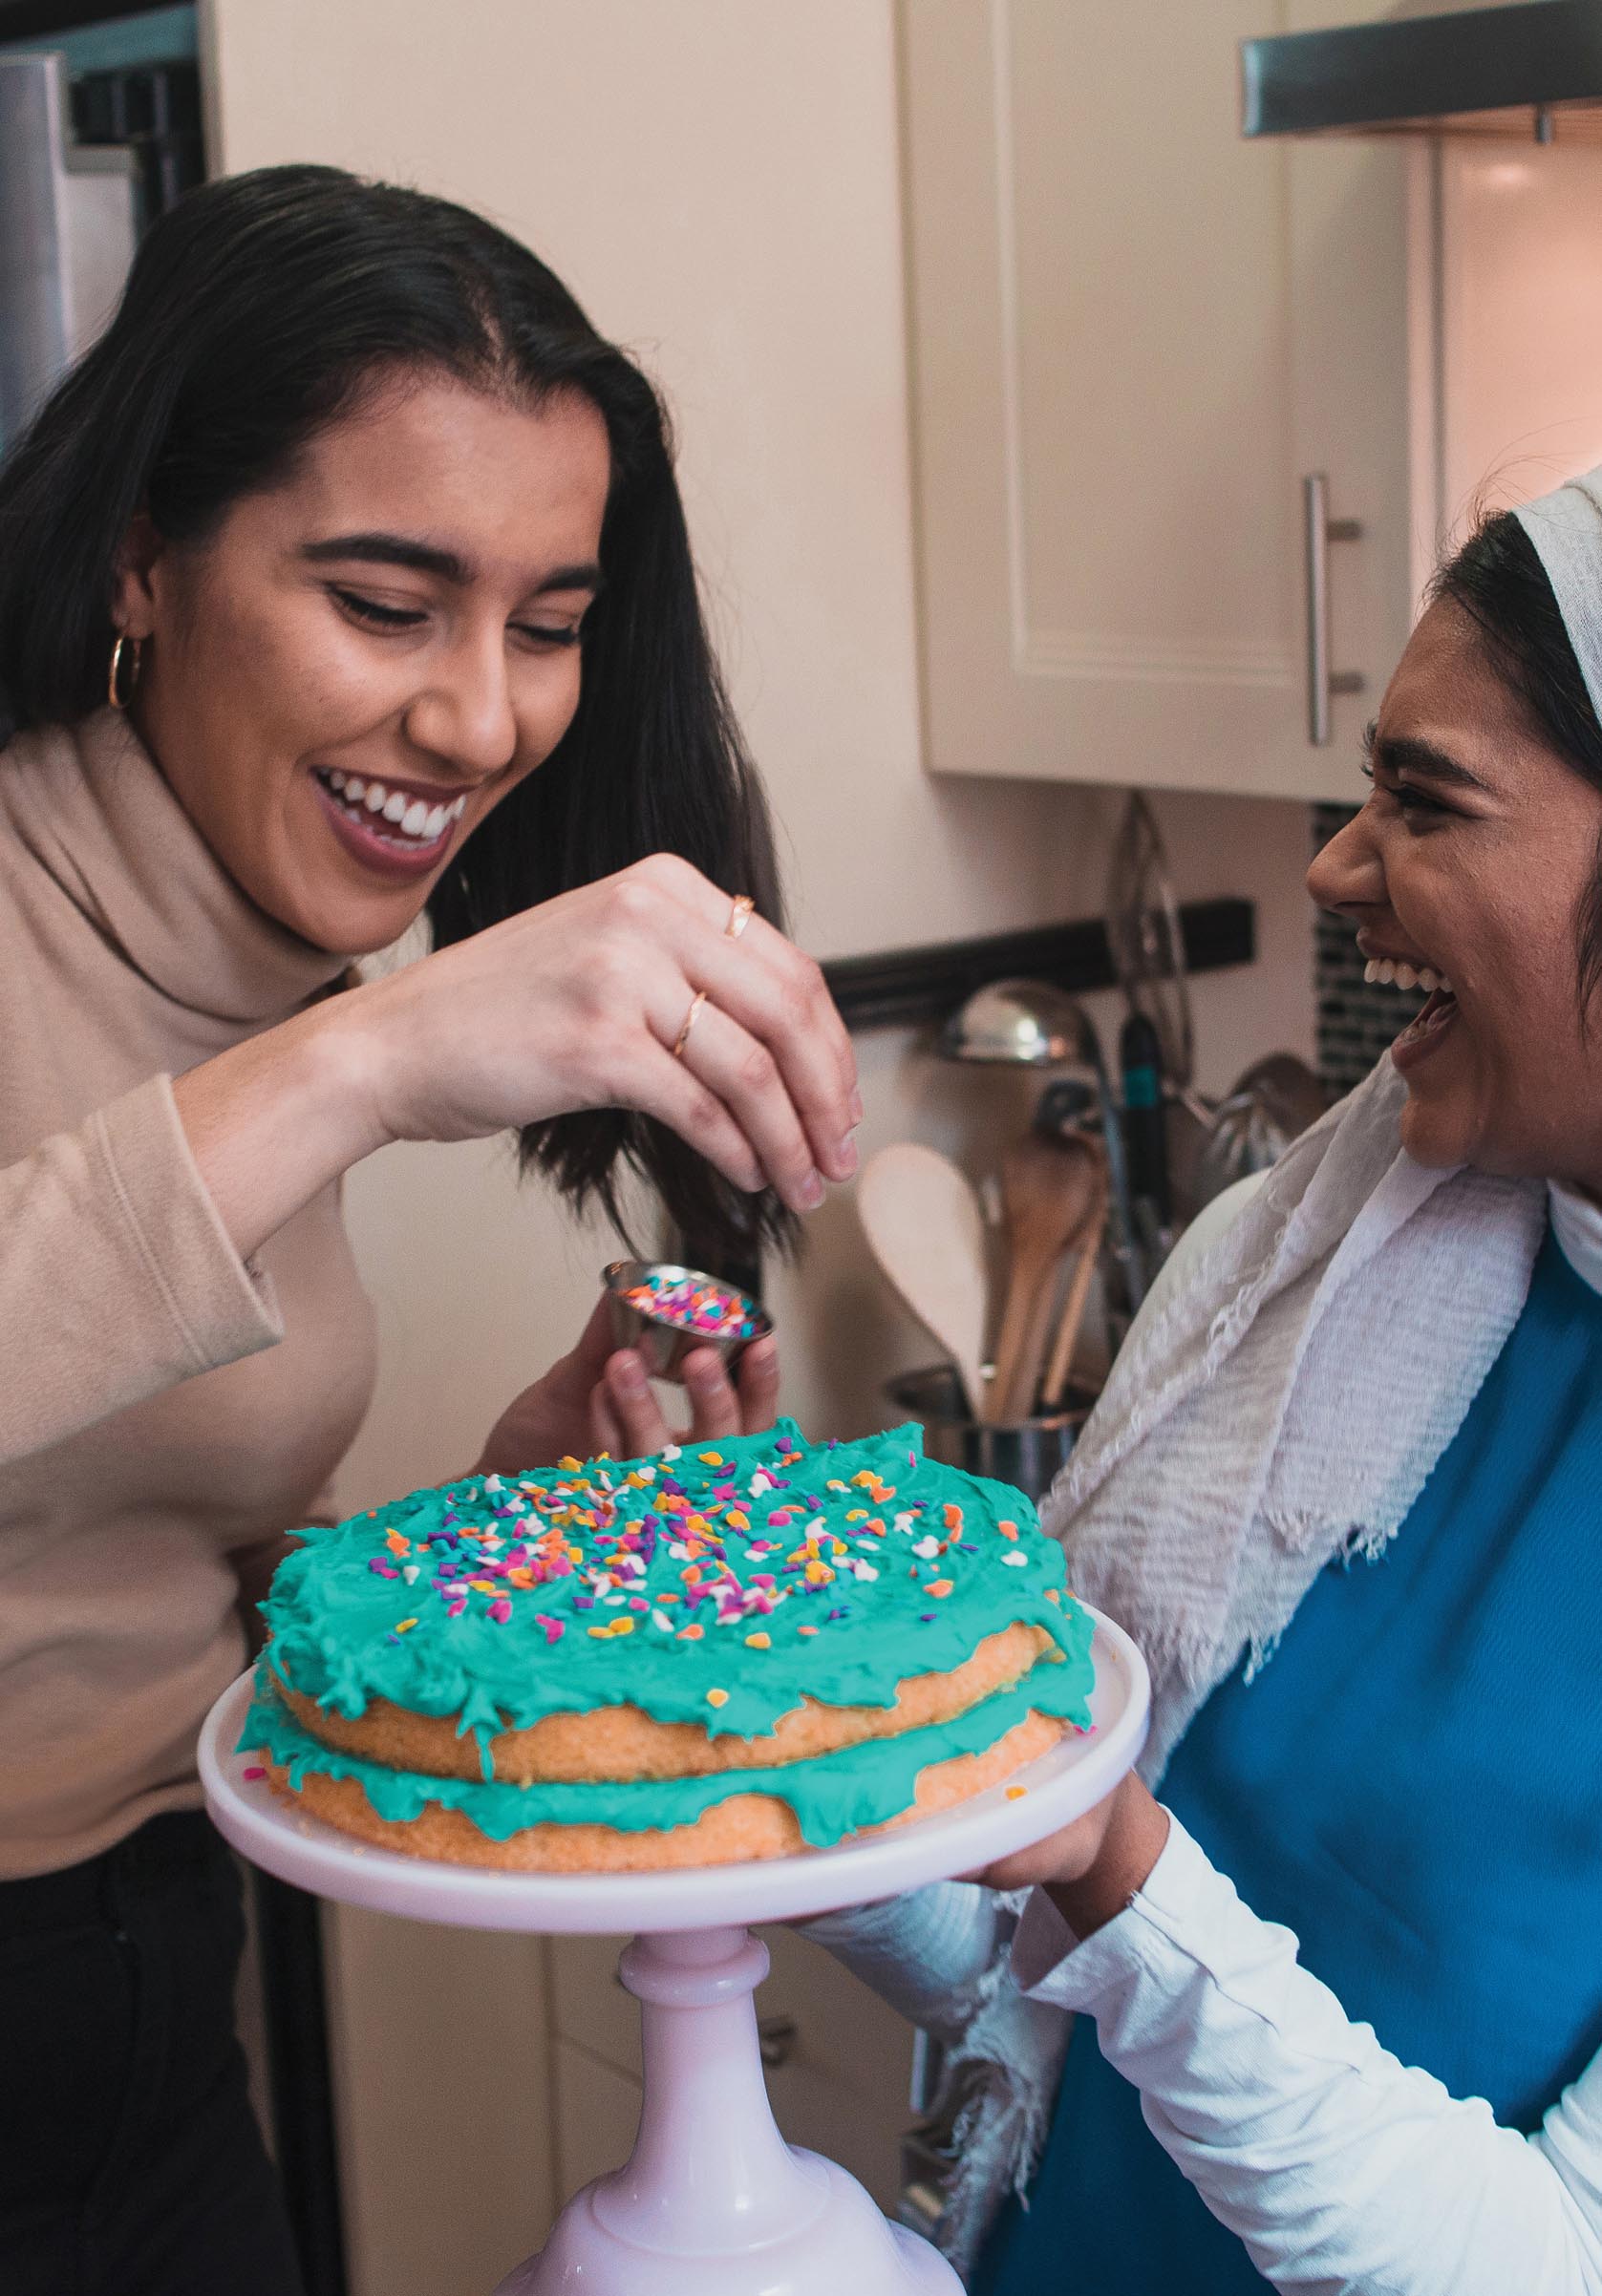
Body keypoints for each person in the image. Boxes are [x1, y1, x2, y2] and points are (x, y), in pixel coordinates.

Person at [0, 164, 857, 2296]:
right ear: (142, 559)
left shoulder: (252, 954)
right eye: (386, 606)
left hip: (142, 2024)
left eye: (547, 626)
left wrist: (499, 1518)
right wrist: (375, 1061)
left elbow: (110, 1562)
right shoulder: (278, 1016)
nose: (479, 720)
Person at [806, 474, 1602, 2292]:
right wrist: (776, 1663)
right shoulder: (1308, 1270)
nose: (1335, 869)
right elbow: (1014, 1934)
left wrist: (1110, 1870)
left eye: (1420, 800)